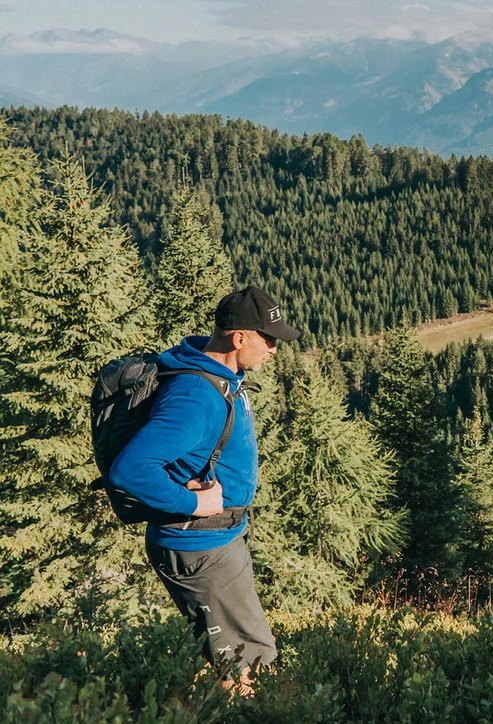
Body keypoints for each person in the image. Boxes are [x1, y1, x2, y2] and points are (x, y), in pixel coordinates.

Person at [109, 286, 300, 695]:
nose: (274, 349)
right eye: (269, 339)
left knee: (246, 656)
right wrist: (194, 502)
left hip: (217, 541)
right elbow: (130, 470)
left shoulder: (223, 377)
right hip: (200, 549)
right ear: (239, 337)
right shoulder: (196, 396)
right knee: (248, 667)